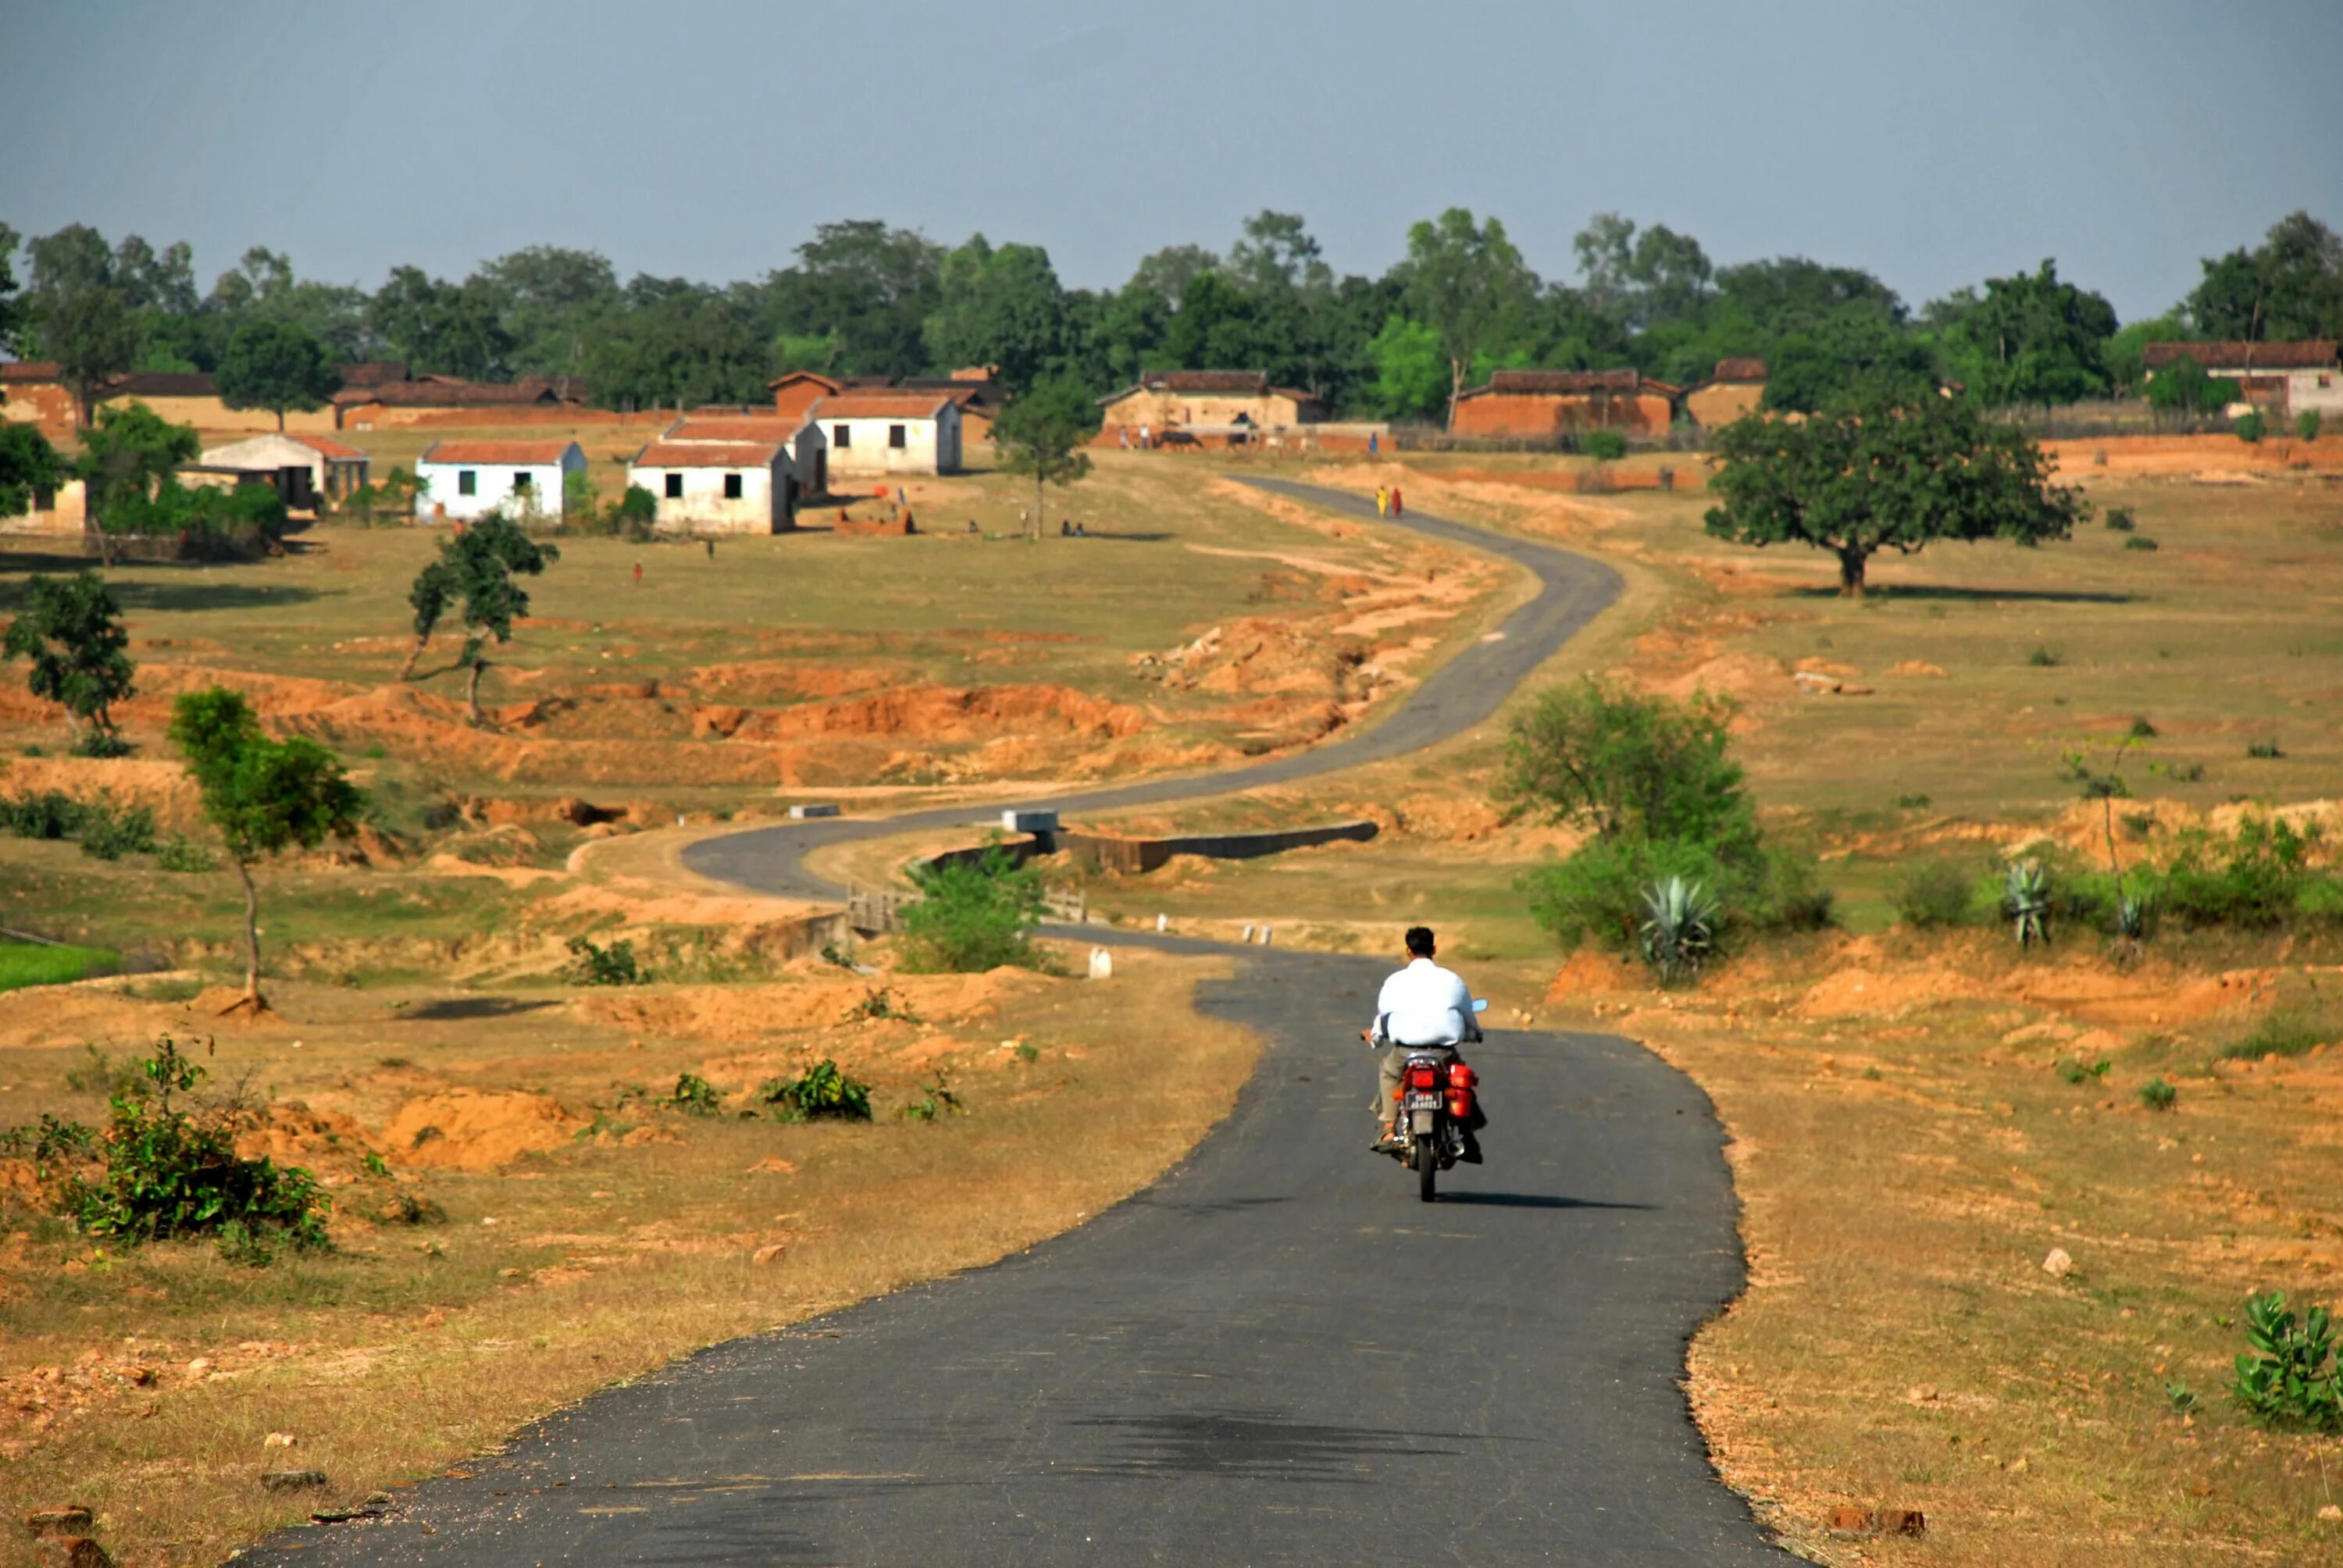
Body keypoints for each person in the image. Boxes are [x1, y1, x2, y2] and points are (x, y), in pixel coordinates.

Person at [1362, 925, 1482, 1155]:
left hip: (1406, 1052)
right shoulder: (1452, 980)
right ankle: (1467, 1134)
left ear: (1408, 951)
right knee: (1460, 1079)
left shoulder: (1395, 982)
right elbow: (1468, 1015)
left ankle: (1388, 1128)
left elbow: (1383, 1016)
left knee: (1389, 1072)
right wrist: (1475, 1033)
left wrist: (1376, 1039)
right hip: (1443, 1054)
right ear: (1434, 949)